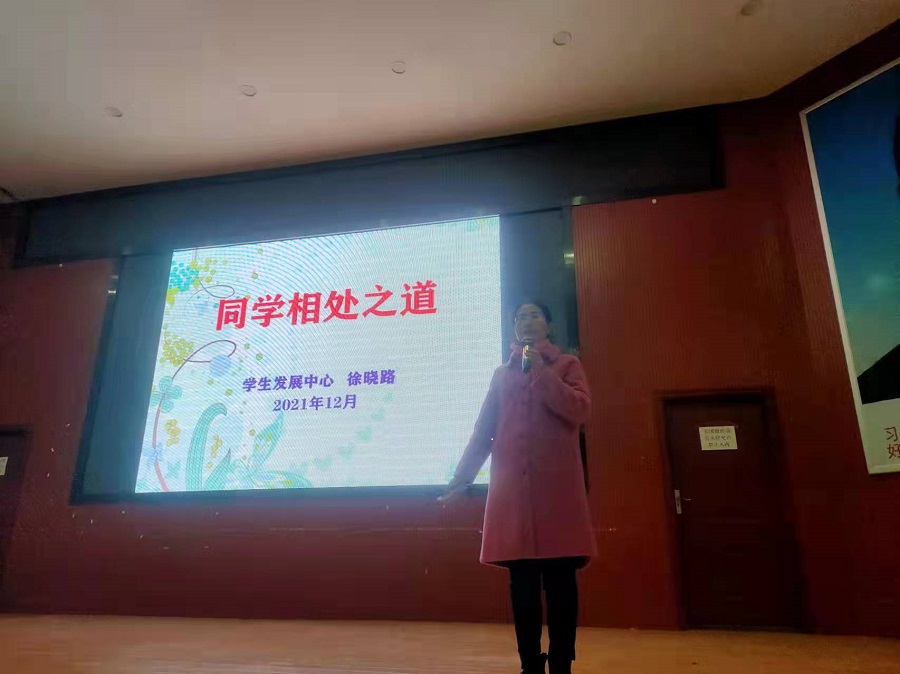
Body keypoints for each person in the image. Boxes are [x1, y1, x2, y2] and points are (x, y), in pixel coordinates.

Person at [440, 302, 595, 674]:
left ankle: (561, 663)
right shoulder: (502, 375)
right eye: (519, 317)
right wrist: (462, 478)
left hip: (558, 496)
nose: (526, 321)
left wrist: (541, 372)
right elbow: (483, 432)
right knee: (522, 589)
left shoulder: (567, 366)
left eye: (534, 315)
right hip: (513, 497)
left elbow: (580, 410)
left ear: (549, 326)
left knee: (561, 586)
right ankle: (530, 664)